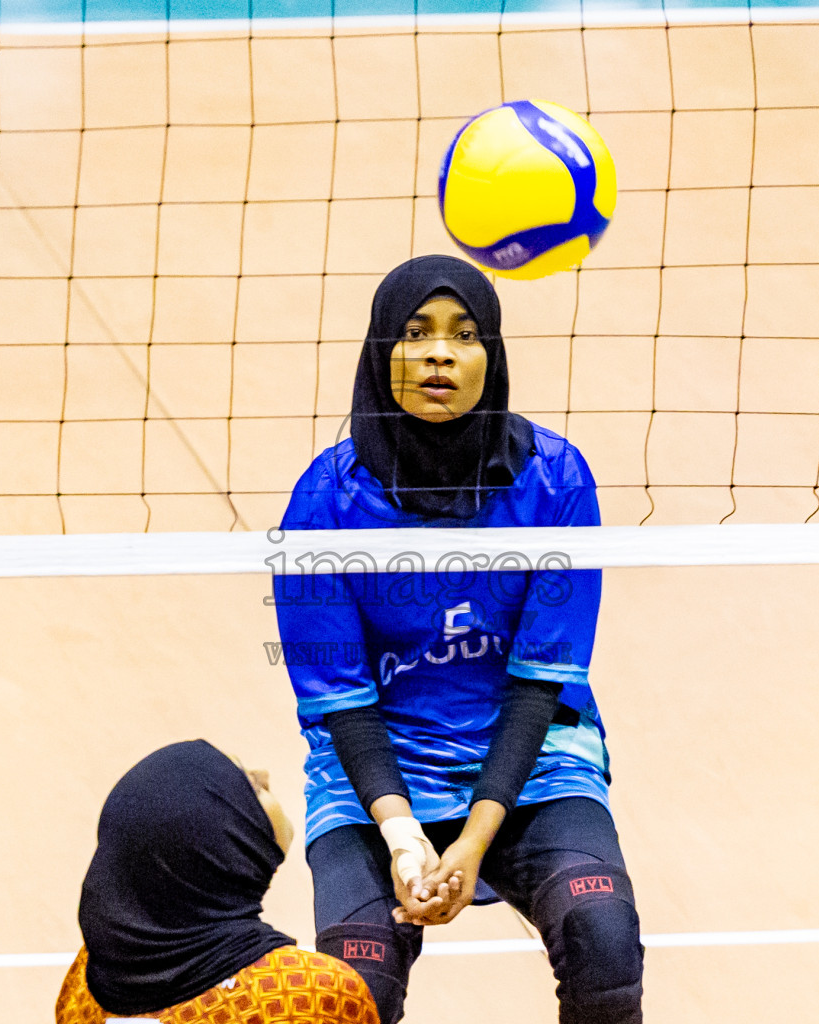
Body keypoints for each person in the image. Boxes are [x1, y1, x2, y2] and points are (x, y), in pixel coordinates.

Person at [272, 255, 644, 1023]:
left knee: (602, 933)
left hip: (535, 763)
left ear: (492, 355)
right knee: (349, 991)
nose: (440, 353)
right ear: (382, 353)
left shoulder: (555, 481)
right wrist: (404, 839)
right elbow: (338, 697)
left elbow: (541, 678)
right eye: (415, 333)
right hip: (372, 775)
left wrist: (474, 841)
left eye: (464, 334)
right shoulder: (323, 502)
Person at [55, 740, 380, 1024]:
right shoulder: (308, 992)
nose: (264, 774)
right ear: (230, 844)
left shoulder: (84, 984)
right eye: (250, 786)